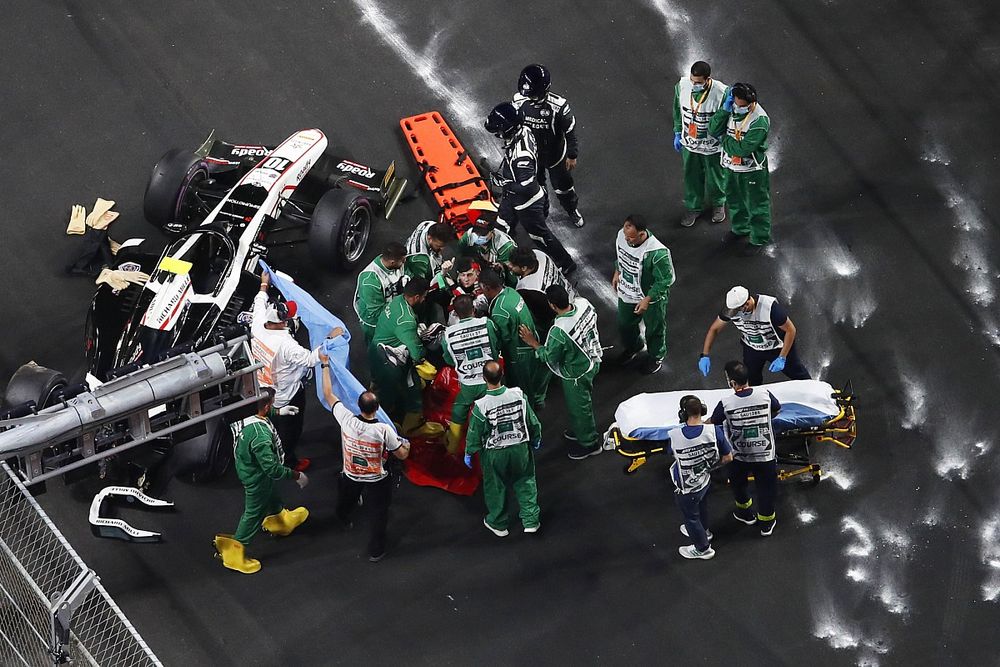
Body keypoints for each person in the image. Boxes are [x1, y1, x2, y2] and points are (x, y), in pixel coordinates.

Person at [317, 349, 410, 563]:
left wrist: (324, 366)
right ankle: (376, 550)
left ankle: (342, 516)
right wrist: (405, 443)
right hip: (376, 478)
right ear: (377, 409)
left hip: (350, 473)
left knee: (346, 498)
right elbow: (402, 455)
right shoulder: (383, 430)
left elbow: (329, 394)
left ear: (358, 406)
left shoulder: (346, 419)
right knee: (379, 514)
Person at [213, 387, 309, 574]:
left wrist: (279, 412)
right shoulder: (260, 435)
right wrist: (296, 475)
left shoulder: (241, 412)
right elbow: (272, 469)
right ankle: (235, 551)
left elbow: (259, 410)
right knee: (253, 513)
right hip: (257, 477)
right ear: (265, 406)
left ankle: (279, 520)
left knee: (270, 494)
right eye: (271, 405)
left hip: (247, 467)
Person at [251, 271, 338, 472]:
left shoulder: (257, 324)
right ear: (281, 322)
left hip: (262, 389)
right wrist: (332, 339)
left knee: (269, 423)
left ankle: (269, 447)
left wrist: (264, 285)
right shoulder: (286, 344)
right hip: (286, 396)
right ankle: (288, 461)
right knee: (290, 431)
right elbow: (310, 359)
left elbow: (259, 301)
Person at [484, 102, 577, 275]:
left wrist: (504, 183)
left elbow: (526, 186)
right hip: (513, 195)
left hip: (527, 202)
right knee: (502, 224)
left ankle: (567, 263)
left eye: (499, 130)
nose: (497, 134)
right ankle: (499, 254)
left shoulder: (522, 156)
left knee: (540, 236)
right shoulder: (524, 130)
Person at [519, 285, 603, 460]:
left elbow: (549, 356)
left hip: (577, 374)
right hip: (593, 356)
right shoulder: (583, 303)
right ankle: (581, 430)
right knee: (578, 406)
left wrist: (532, 342)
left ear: (552, 305)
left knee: (581, 407)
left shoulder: (559, 331)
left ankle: (590, 444)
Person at [464, 361, 542, 536]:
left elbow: (475, 432)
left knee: (495, 486)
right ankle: (531, 521)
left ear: (484, 378)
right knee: (526, 481)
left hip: (495, 453)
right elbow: (531, 419)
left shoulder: (481, 405)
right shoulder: (519, 395)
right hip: (520, 448)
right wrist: (536, 437)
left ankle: (498, 523)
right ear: (502, 374)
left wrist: (469, 451)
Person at [706, 361, 781, 536]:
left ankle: (746, 514)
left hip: (739, 456)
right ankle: (766, 524)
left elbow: (712, 422)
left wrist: (695, 424)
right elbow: (777, 409)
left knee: (739, 486)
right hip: (765, 455)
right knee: (766, 489)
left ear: (732, 382)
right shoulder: (765, 393)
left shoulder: (726, 403)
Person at [511, 63, 585, 228]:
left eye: (534, 95)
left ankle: (571, 210)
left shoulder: (559, 107)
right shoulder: (518, 100)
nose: (531, 98)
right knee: (537, 187)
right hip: (532, 157)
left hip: (556, 157)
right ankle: (542, 211)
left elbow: (570, 131)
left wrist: (572, 155)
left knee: (563, 188)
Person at [367, 277, 442, 436]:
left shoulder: (397, 301)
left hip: (376, 352)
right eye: (423, 296)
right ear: (416, 297)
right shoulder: (406, 321)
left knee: (384, 388)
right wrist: (422, 355)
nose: (423, 299)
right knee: (396, 392)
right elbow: (415, 350)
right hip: (388, 362)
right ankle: (387, 429)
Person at [698, 285, 811, 386]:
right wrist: (705, 355)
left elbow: (791, 330)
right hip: (752, 348)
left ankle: (816, 393)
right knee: (751, 380)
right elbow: (715, 329)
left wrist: (782, 357)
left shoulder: (770, 308)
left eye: (739, 310)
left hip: (777, 347)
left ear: (746, 303)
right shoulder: (731, 310)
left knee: (798, 374)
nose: (737, 314)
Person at [666, 395, 733, 560]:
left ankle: (702, 549)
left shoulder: (675, 436)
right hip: (704, 480)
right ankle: (705, 531)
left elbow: (671, 453)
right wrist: (710, 467)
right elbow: (728, 457)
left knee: (690, 517)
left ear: (683, 414)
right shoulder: (713, 431)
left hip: (687, 486)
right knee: (701, 506)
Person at [709, 82, 772, 255]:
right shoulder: (730, 110)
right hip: (731, 167)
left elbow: (744, 149)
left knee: (756, 205)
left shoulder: (759, 120)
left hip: (752, 170)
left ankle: (759, 238)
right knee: (734, 200)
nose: (741, 108)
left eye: (745, 105)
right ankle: (740, 228)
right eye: (738, 104)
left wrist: (723, 140)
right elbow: (713, 128)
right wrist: (724, 110)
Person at [612, 214, 675, 374]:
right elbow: (620, 255)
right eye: (626, 236)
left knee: (654, 328)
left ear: (642, 233)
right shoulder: (622, 236)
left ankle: (656, 356)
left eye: (631, 238)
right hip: (628, 291)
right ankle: (634, 346)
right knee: (624, 323)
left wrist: (648, 298)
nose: (628, 240)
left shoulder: (657, 253)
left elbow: (666, 280)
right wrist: (617, 271)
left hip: (651, 298)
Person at [479, 268, 550, 411]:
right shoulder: (511, 293)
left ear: (486, 287)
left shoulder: (500, 311)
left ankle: (527, 412)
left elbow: (502, 338)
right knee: (533, 379)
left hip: (518, 354)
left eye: (481, 288)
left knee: (522, 387)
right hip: (530, 343)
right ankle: (538, 401)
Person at [672, 60, 729, 227]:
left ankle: (718, 204)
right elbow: (677, 109)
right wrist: (677, 131)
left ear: (707, 79)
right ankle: (693, 207)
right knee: (691, 177)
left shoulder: (721, 92)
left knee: (716, 177)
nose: (694, 84)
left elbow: (727, 118)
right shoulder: (682, 87)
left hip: (712, 145)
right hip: (690, 144)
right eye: (692, 80)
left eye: (698, 82)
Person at [442, 295, 501, 452]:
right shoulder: (486, 324)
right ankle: (495, 441)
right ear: (474, 310)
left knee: (459, 410)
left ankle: (453, 448)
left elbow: (448, 359)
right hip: (489, 380)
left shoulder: (448, 334)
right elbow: (496, 347)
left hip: (467, 383)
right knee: (493, 410)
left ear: (456, 313)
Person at [508, 246, 575, 333]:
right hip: (569, 294)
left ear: (524, 268)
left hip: (562, 316)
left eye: (513, 265)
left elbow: (544, 316)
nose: (509, 266)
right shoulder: (538, 254)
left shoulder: (526, 288)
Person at [354, 242, 406, 345]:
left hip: (388, 307)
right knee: (376, 347)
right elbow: (375, 312)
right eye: (402, 261)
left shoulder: (390, 262)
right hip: (373, 323)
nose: (405, 262)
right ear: (392, 262)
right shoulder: (370, 281)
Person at [458, 208, 518, 279]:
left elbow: (507, 273)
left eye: (482, 234)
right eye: (477, 232)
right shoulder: (469, 235)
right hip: (481, 262)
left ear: (492, 232)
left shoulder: (505, 247)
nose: (478, 236)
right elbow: (461, 251)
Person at [446, 257, 489, 325]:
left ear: (477, 273)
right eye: (463, 275)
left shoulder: (485, 289)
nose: (466, 279)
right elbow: (452, 322)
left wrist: (456, 289)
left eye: (469, 275)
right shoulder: (452, 292)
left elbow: (481, 304)